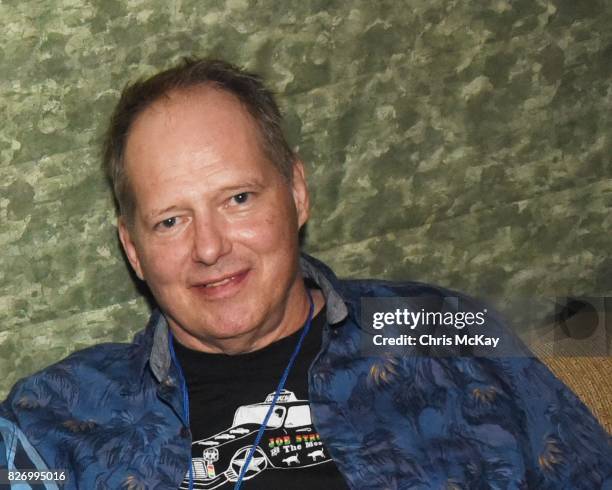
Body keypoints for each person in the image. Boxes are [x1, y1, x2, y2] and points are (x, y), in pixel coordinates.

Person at [1, 58, 610, 490]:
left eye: (238, 198)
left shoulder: (447, 332)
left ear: (296, 191)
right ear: (133, 248)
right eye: (169, 221)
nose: (210, 248)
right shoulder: (54, 418)